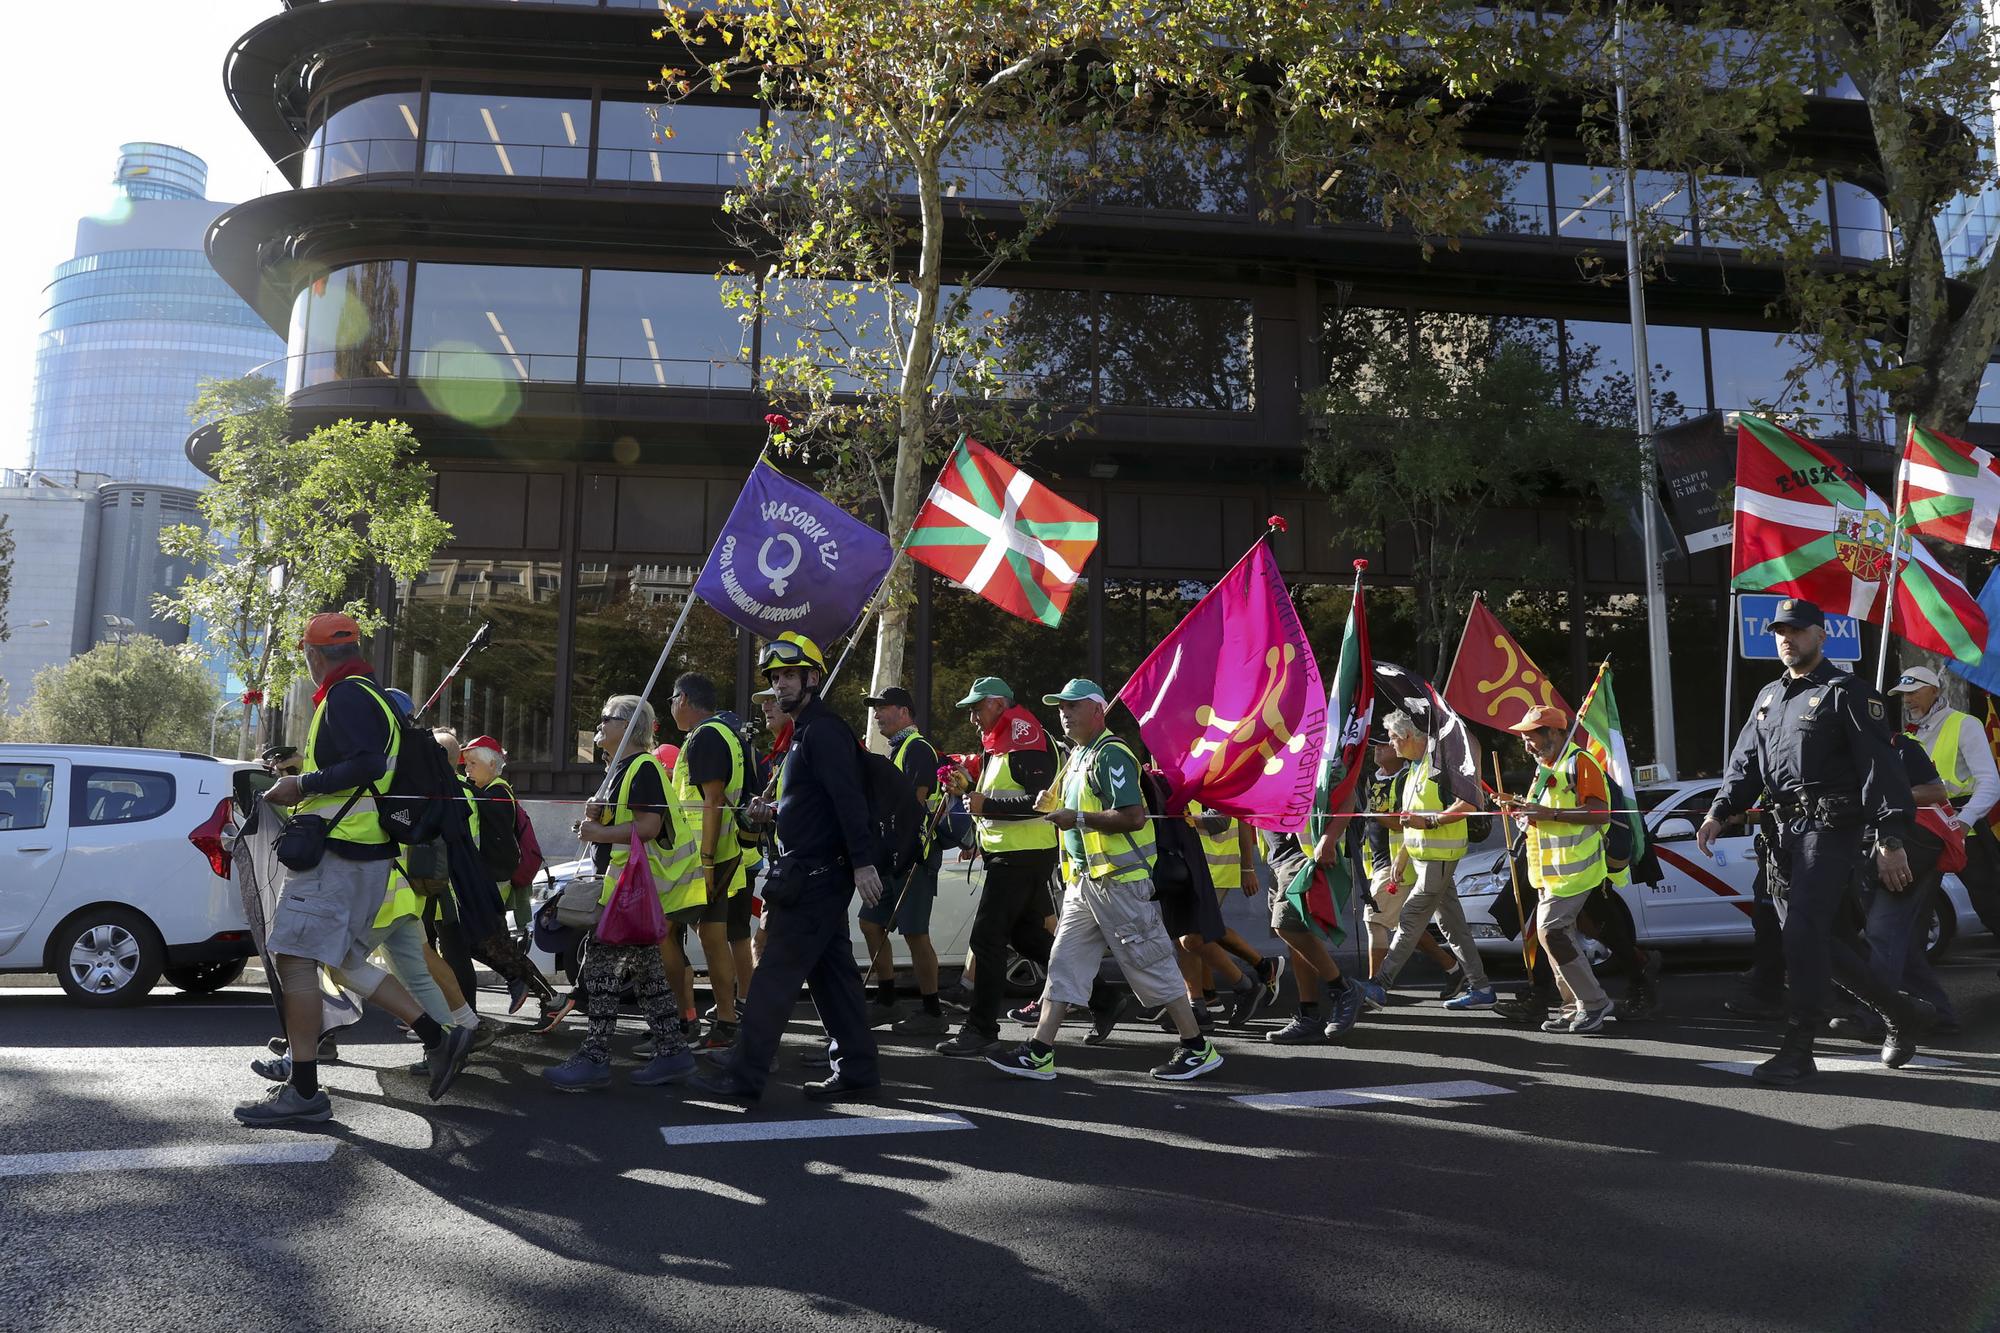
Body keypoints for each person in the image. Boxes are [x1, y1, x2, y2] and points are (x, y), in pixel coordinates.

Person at [237, 612, 476, 1126]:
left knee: (294, 961)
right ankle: (440, 1036)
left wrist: (299, 785)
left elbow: (366, 764)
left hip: (338, 857)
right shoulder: (369, 696)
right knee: (344, 962)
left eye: (306, 653)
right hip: (364, 857)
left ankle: (303, 1092)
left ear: (313, 654)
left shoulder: (347, 696)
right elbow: (369, 768)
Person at [1701, 598, 1931, 1084]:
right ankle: (1898, 1012)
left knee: (1802, 936)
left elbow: (1880, 768)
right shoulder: (1768, 696)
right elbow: (1744, 765)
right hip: (1780, 835)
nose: (1787, 638)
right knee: (1814, 940)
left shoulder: (1846, 692)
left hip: (1830, 829)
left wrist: (1890, 837)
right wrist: (1719, 811)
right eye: (1780, 630)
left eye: (1798, 630)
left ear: (1821, 635)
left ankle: (1799, 1046)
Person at [987, 679, 1225, 1083]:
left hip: (1122, 883)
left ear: (1098, 710)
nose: (1064, 712)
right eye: (1061, 706)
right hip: (1088, 884)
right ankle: (1040, 1052)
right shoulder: (1078, 755)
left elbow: (1132, 816)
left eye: (1073, 706)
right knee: (1063, 965)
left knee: (1151, 965)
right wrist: (1058, 807)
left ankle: (1198, 1048)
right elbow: (1080, 814)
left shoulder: (1111, 754)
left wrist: (1074, 817)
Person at [691, 632, 885, 1104]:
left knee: (774, 975)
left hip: (817, 877)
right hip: (811, 873)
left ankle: (743, 1076)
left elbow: (848, 801)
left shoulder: (825, 732)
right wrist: (773, 812)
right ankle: (857, 1069)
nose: (779, 686)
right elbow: (814, 806)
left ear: (813, 679)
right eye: (775, 678)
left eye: (789, 676)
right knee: (834, 977)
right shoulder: (802, 734)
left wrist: (863, 864)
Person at [937, 677, 1118, 1057]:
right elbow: (998, 794)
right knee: (1026, 939)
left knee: (986, 940)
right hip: (1014, 854)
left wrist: (987, 807)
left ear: (1000, 704)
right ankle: (1103, 996)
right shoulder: (1003, 740)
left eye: (977, 707)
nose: (971, 717)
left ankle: (981, 1028)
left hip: (1023, 856)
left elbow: (1039, 804)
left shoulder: (1026, 741)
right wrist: (969, 789)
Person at [543, 695, 701, 1091]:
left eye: (606, 718)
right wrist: (597, 821)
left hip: (631, 893)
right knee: (648, 976)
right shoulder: (622, 769)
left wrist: (599, 831)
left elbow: (648, 826)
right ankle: (672, 1052)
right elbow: (629, 823)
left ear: (629, 727)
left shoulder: (643, 767)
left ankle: (595, 1058)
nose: (599, 723)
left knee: (597, 972)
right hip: (627, 892)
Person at [1358, 710, 1496, 1011]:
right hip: (1425, 858)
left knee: (1409, 919)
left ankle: (1379, 985)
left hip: (1440, 858)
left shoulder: (1441, 764)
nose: (1391, 744)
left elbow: (1470, 803)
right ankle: (1481, 988)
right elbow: (1412, 818)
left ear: (1408, 737)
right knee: (1453, 927)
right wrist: (1404, 855)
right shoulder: (1417, 766)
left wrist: (1431, 822)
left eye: (1393, 737)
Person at [1497, 706, 1616, 1035]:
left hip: (1577, 871)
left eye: (1530, 737)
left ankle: (1593, 1004)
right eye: (1523, 739)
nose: (1526, 746)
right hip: (1550, 873)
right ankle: (1571, 1007)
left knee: (1551, 933)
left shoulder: (1580, 761)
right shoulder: (1544, 767)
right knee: (1557, 937)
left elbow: (1599, 814)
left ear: (1554, 733)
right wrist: (1518, 806)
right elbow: (1541, 814)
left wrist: (1549, 813)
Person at [859, 685, 949, 1036]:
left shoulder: (918, 748)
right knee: (870, 923)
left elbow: (914, 804)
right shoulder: (895, 750)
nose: (877, 714)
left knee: (915, 934)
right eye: (875, 708)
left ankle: (933, 1011)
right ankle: (887, 1000)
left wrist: (903, 854)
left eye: (883, 707)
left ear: (905, 712)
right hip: (889, 857)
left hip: (913, 857)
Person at [1351, 732, 1463, 1005]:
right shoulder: (1370, 778)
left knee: (1375, 920)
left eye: (1384, 742)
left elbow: (1406, 820)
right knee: (1406, 924)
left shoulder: (1406, 779)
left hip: (1399, 861)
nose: (1376, 748)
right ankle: (1454, 969)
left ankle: (1374, 986)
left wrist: (1378, 816)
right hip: (1375, 861)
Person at [668, 673, 748, 1051]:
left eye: (672, 699)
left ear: (684, 699)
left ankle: (700, 1022)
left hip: (705, 857)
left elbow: (713, 800)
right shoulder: (723, 733)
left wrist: (707, 859)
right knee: (715, 938)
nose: (671, 707)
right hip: (717, 853)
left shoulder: (707, 736)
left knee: (676, 934)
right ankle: (727, 1023)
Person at [1892, 665, 2000, 922]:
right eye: (1903, 694)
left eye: (1914, 692)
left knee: (1990, 904)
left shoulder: (1964, 724)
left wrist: (1964, 822)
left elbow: (1990, 782)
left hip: (1964, 829)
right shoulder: (1908, 733)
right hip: (1923, 829)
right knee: (1917, 906)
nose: (1907, 699)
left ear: (1934, 691)